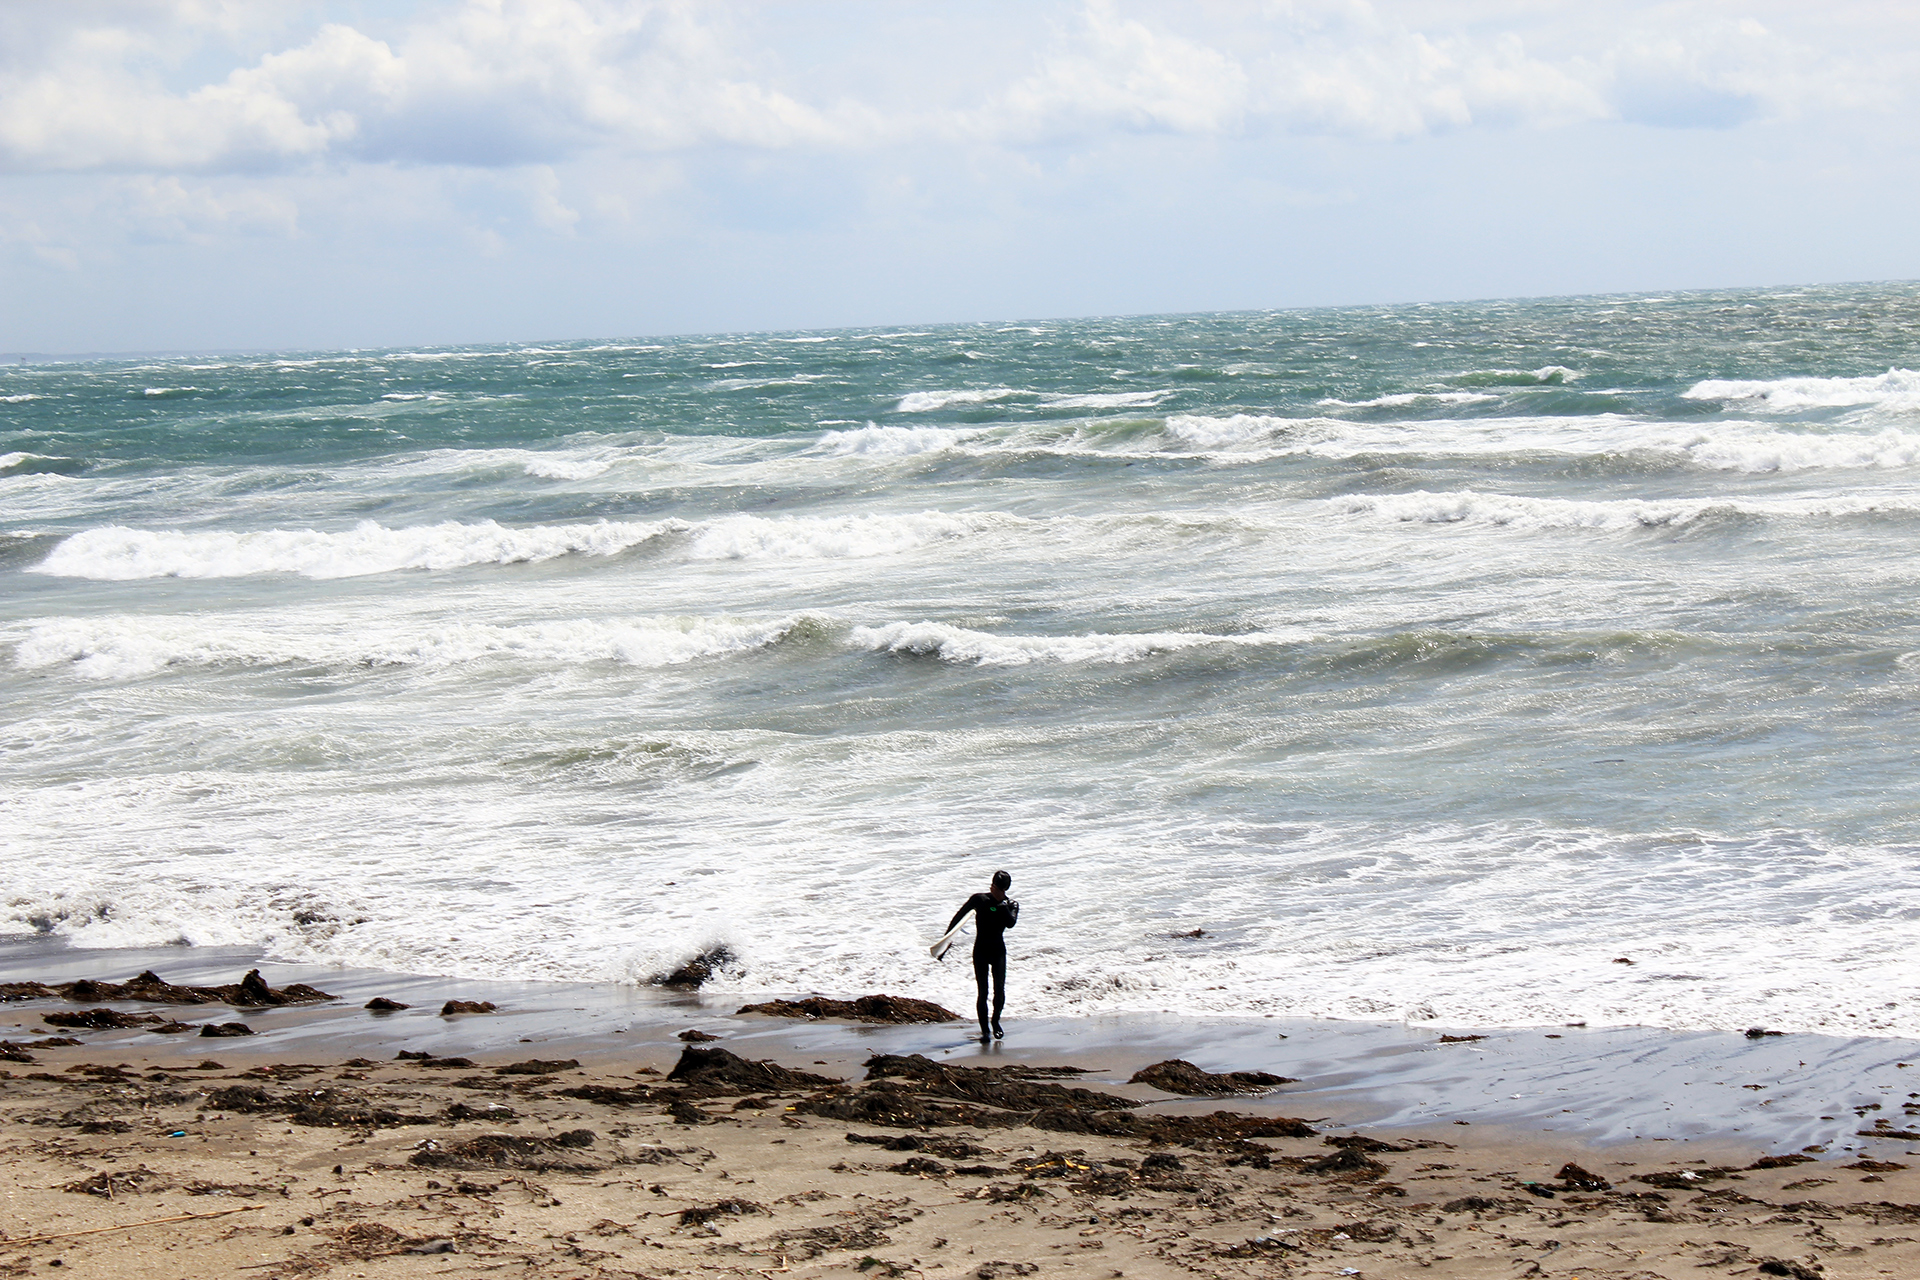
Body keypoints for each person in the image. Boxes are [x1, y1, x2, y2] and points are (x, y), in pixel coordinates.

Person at [946, 870, 1019, 1042]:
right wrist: (946, 940)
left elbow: (1010, 923)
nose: (994, 889)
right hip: (981, 950)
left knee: (999, 991)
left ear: (1005, 889)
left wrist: (1001, 905)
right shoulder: (979, 900)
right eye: (993, 886)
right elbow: (958, 917)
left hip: (998, 951)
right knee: (983, 991)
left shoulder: (1011, 905)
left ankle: (995, 1021)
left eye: (998, 888)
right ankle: (985, 1030)